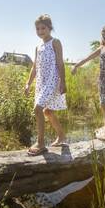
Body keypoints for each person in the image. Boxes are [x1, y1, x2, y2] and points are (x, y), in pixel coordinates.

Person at [25, 14, 67, 156]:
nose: (40, 31)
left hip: (53, 80)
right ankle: (61, 135)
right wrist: (28, 84)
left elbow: (60, 63)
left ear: (50, 28)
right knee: (47, 111)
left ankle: (41, 143)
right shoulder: (38, 47)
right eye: (37, 29)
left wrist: (63, 82)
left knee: (38, 108)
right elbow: (35, 67)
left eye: (43, 28)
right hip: (41, 82)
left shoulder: (55, 42)